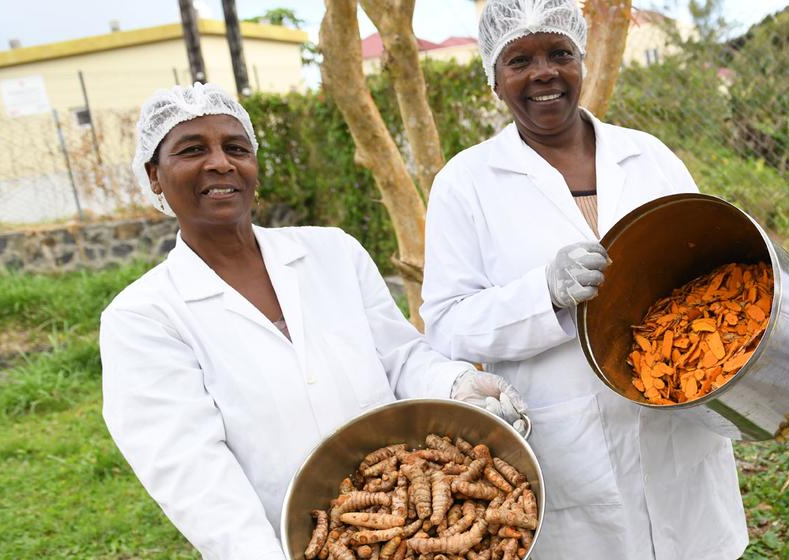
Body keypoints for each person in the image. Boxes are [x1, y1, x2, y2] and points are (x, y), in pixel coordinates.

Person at [99, 83, 527, 559]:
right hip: (294, 544)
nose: (220, 162)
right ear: (154, 175)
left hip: (410, 531)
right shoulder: (144, 317)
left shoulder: (331, 252)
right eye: (192, 149)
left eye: (236, 148)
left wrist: (458, 385)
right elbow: (194, 477)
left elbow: (400, 358)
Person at [418, 0, 750, 557]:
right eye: (518, 60)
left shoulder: (648, 157)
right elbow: (447, 324)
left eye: (559, 53)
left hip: (676, 432)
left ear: (581, 62)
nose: (543, 72)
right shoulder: (466, 183)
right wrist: (542, 296)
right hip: (569, 450)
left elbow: (710, 274)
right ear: (495, 81)